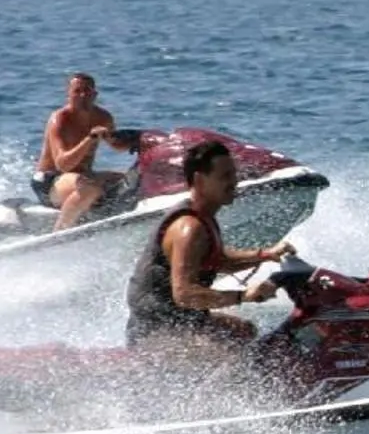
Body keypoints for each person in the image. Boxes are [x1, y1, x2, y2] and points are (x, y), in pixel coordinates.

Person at [126, 139, 296, 350]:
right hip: (155, 333)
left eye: (234, 174)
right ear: (199, 181)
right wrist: (243, 296)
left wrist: (265, 255)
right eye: (225, 176)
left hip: (185, 322)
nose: (235, 182)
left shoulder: (203, 217)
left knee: (245, 331)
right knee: (234, 357)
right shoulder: (188, 228)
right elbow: (185, 294)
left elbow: (218, 260)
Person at [34, 72, 138, 231]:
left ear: (95, 94)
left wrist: (136, 142)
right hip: (51, 181)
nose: (83, 95)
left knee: (130, 179)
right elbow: (63, 165)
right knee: (89, 188)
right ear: (68, 94)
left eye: (87, 91)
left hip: (82, 176)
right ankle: (59, 232)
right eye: (77, 91)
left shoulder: (103, 117)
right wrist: (89, 139)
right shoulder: (60, 119)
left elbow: (117, 146)